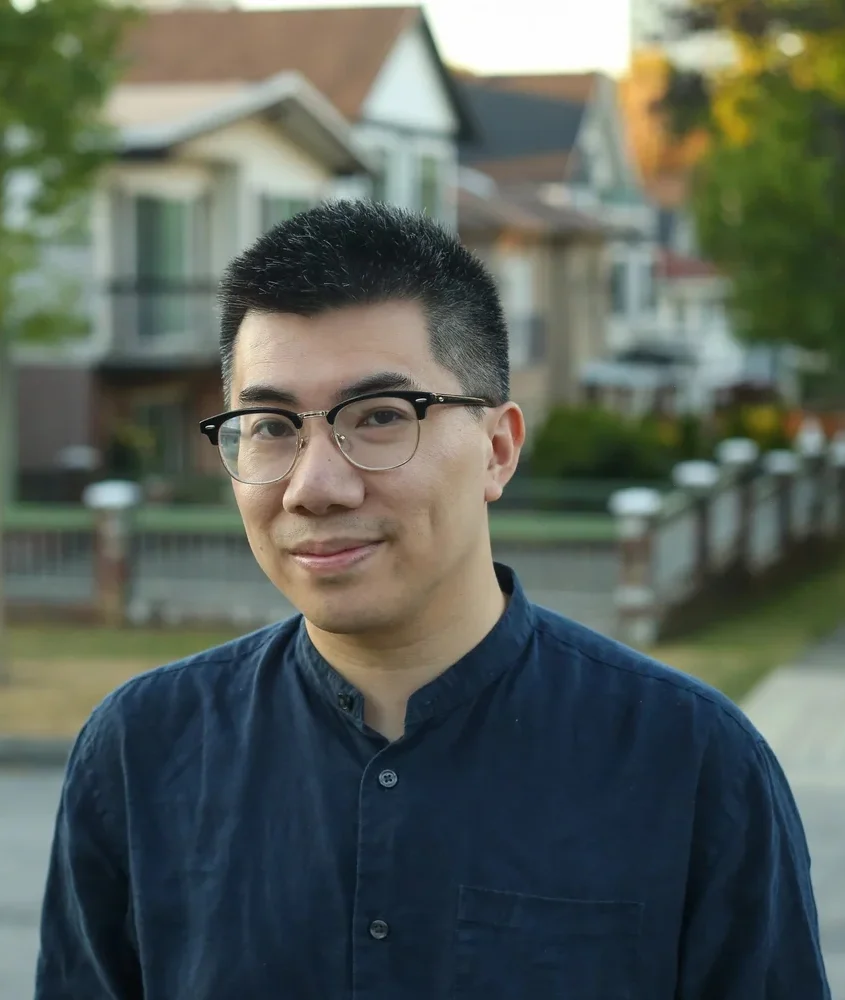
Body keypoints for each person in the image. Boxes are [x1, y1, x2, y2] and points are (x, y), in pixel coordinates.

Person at [35, 201, 830, 999]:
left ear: (497, 449)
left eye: (380, 417)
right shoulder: (141, 753)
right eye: (270, 425)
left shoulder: (689, 762)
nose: (314, 487)